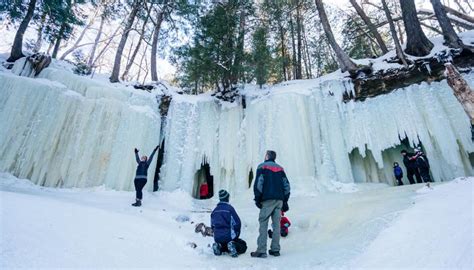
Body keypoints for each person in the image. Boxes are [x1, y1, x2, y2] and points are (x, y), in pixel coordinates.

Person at [251, 150, 291, 258]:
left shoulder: (262, 167)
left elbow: (259, 183)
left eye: (265, 155)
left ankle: (261, 250)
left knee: (263, 222)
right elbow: (286, 186)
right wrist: (285, 200)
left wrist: (257, 199)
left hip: (267, 200)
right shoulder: (280, 169)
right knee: (277, 225)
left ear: (267, 156)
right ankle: (275, 250)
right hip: (279, 200)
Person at [210, 190, 247, 257]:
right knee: (243, 245)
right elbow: (237, 223)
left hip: (217, 237)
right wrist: (236, 234)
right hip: (228, 236)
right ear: (227, 198)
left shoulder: (214, 211)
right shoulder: (229, 209)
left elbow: (212, 226)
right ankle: (233, 246)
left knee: (224, 246)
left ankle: (219, 246)